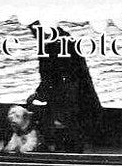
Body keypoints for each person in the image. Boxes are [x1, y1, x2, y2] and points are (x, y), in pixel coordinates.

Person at [27, 24, 103, 152]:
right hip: (81, 99)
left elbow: (50, 80)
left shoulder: (50, 47)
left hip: (68, 103)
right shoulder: (66, 39)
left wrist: (38, 95)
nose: (34, 36)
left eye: (34, 31)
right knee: (75, 137)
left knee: (65, 135)